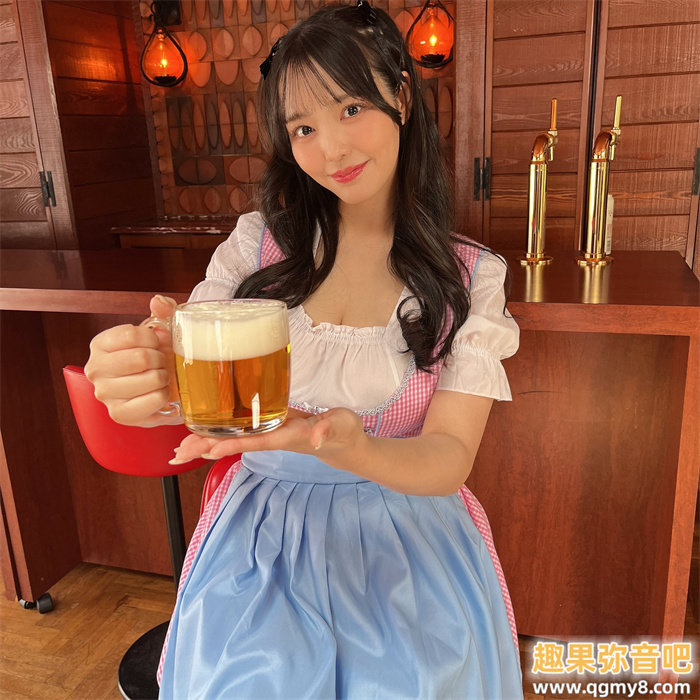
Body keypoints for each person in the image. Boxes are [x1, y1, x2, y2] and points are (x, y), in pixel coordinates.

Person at [85, 2, 523, 697]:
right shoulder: (256, 247)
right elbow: (186, 382)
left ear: (403, 97)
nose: (333, 149)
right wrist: (142, 375)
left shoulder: (469, 275)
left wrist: (351, 447)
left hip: (408, 548)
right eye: (304, 128)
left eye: (351, 108)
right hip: (259, 543)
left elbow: (449, 456)